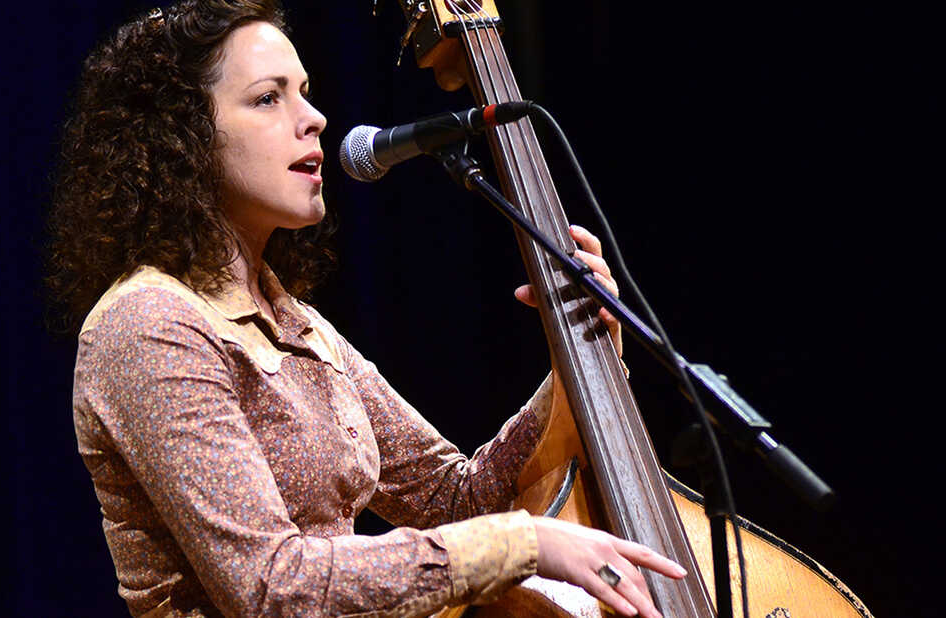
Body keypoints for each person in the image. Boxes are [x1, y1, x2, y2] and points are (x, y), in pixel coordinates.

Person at [47, 1, 687, 616]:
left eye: (305, 91)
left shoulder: (298, 325)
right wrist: (524, 543)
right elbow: (272, 588)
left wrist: (581, 343)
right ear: (182, 136)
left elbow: (455, 499)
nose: (315, 118)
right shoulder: (149, 326)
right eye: (268, 98)